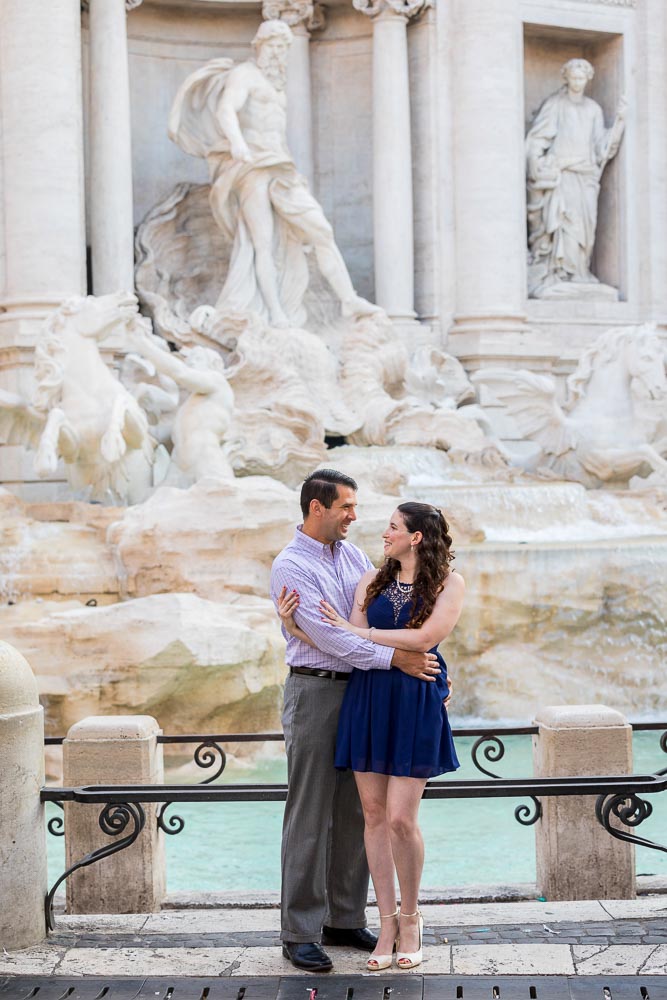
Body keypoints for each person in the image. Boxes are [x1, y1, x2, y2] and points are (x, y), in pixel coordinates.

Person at [278, 501, 464, 971]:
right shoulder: (370, 578)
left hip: (414, 700)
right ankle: (383, 924)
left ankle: (411, 919)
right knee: (373, 816)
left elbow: (424, 640)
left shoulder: (448, 583)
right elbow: (350, 640)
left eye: (393, 527)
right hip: (368, 699)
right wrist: (295, 625)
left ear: (416, 537)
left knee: (403, 820)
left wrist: (362, 632)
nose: (383, 532)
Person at [169, 20, 380, 329]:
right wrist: (239, 144)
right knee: (261, 244)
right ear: (260, 45)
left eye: (284, 46)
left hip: (281, 166)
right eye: (274, 45)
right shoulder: (245, 75)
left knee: (321, 229)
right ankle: (275, 313)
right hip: (251, 165)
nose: (279, 52)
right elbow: (226, 110)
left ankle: (348, 299)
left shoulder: (277, 85)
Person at [526, 58, 626, 298]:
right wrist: (537, 164)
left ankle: (580, 271)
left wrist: (620, 123)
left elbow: (601, 146)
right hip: (563, 174)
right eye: (574, 77)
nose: (578, 82)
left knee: (585, 229)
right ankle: (560, 272)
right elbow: (538, 138)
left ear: (588, 79)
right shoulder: (555, 104)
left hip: (586, 175)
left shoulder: (593, 109)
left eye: (582, 78)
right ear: (566, 78)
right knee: (564, 224)